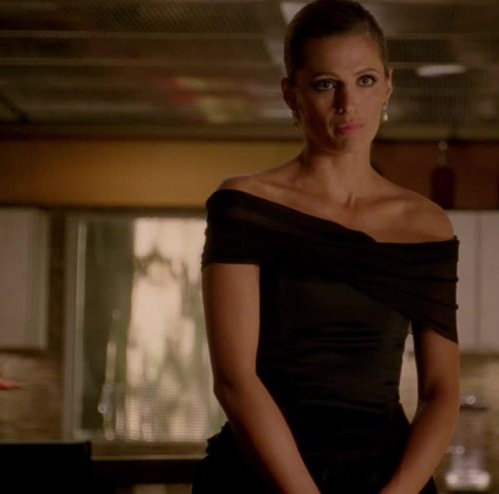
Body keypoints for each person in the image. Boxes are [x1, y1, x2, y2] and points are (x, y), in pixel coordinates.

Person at [193, 1, 460, 492]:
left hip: (386, 478)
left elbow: (442, 391)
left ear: (388, 85)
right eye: (324, 84)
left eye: (365, 80)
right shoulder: (244, 206)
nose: (347, 104)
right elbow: (234, 379)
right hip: (264, 477)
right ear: (290, 94)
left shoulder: (426, 225)